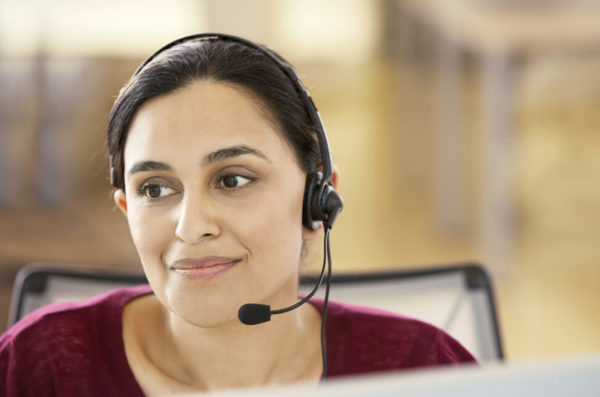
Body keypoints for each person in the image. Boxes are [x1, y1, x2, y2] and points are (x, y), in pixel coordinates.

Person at [0, 34, 476, 396]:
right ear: (127, 209)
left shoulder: (420, 369)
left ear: (319, 197)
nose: (190, 226)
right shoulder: (43, 367)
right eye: (156, 188)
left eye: (232, 180)